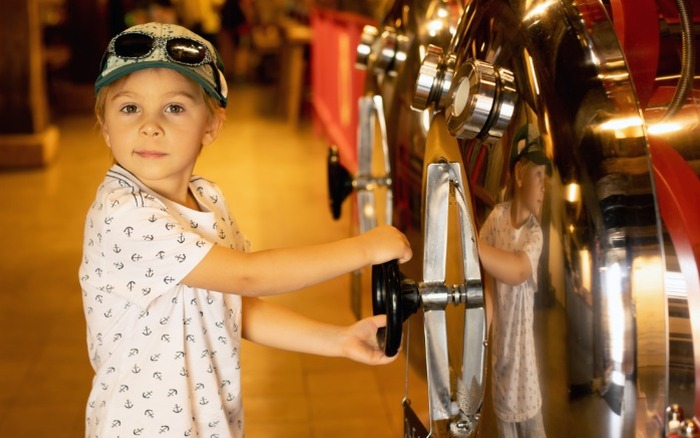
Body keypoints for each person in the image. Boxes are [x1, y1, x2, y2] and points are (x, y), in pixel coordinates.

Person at [80, 22, 412, 437]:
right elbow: (248, 274)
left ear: (211, 126)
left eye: (175, 108)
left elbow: (237, 306)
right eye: (129, 108)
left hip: (211, 423)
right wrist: (363, 248)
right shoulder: (121, 214)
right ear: (105, 124)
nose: (151, 125)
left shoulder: (208, 199)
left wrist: (337, 340)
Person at [477, 128, 551, 438]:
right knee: (503, 424)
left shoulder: (535, 235)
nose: (543, 189)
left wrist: (471, 246)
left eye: (546, 181)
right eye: (538, 177)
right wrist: (481, 340)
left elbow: (518, 269)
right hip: (500, 357)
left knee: (533, 428)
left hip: (524, 361)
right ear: (519, 174)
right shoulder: (496, 219)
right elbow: (489, 285)